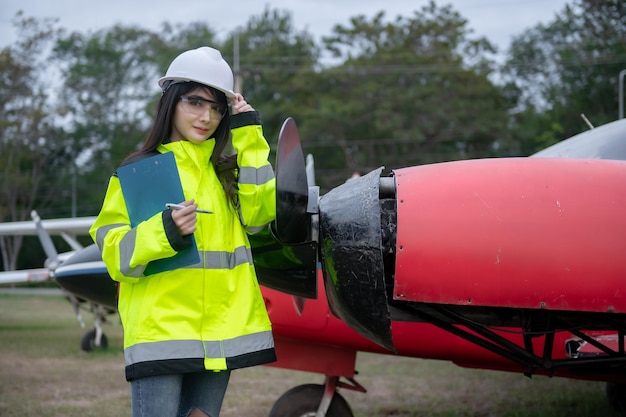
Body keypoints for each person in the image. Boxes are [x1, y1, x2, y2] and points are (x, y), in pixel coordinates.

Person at [89, 46, 277, 417]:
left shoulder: (226, 174)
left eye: (216, 108)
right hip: (161, 338)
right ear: (172, 102)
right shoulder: (139, 171)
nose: (206, 117)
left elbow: (259, 217)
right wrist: (164, 231)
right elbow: (114, 255)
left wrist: (251, 135)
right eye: (195, 102)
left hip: (218, 340)